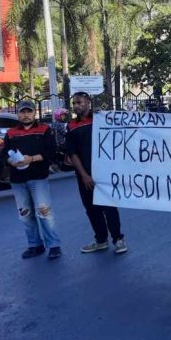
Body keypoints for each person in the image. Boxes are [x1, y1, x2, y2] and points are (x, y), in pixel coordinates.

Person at [67, 92, 127, 255]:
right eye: (74, 103)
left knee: (109, 207)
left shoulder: (102, 119)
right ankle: (101, 240)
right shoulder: (71, 125)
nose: (76, 106)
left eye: (79, 102)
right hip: (84, 175)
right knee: (92, 209)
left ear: (88, 102)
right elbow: (73, 154)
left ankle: (118, 239)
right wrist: (84, 175)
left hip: (105, 173)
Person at [2, 100, 62, 260]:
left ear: (34, 113)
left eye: (29, 112)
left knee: (44, 212)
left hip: (38, 178)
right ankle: (35, 245)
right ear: (18, 114)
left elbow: (52, 153)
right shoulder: (10, 133)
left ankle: (54, 245)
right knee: (25, 214)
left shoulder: (45, 130)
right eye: (22, 112)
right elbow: (3, 154)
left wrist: (31, 159)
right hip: (17, 179)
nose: (26, 115)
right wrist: (10, 161)